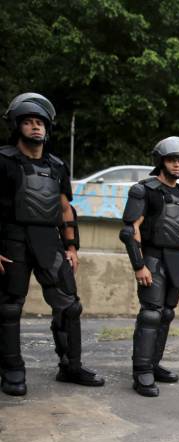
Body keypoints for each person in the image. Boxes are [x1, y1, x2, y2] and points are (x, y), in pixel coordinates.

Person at [0, 92, 104, 396]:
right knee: (8, 308)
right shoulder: (3, 160)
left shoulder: (57, 166)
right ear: (17, 125)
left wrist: (72, 247)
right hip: (12, 240)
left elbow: (64, 208)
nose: (35, 128)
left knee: (70, 306)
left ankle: (71, 366)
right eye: (29, 122)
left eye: (40, 123)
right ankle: (12, 371)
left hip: (49, 242)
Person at [119, 137, 179, 397]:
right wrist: (139, 265)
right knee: (151, 314)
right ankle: (142, 371)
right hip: (153, 259)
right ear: (160, 161)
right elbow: (129, 230)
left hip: (177, 260)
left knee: (166, 314)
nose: (177, 165)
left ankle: (154, 365)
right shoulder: (144, 190)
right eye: (172, 160)